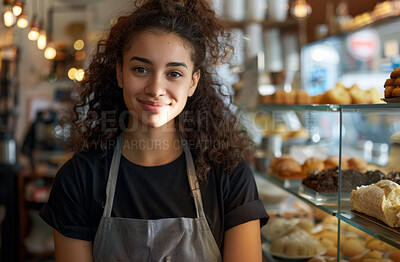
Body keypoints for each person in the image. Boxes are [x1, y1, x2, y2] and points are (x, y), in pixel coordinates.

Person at [40, 0, 269, 261]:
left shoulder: (229, 175)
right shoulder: (78, 179)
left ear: (193, 82)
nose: (155, 88)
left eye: (174, 73)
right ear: (119, 73)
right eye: (141, 69)